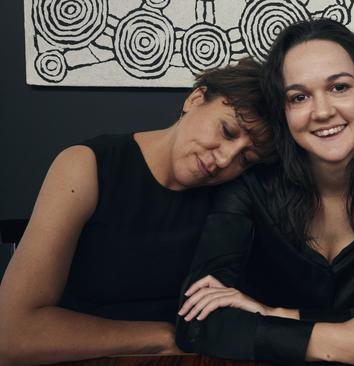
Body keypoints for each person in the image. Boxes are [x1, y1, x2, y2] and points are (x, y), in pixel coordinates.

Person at [175, 19, 354, 365]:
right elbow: (195, 321)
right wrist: (326, 340)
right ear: (283, 111)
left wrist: (276, 314)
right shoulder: (250, 185)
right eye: (299, 97)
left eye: (339, 88)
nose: (321, 112)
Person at [0, 59, 274, 365]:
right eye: (227, 131)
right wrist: (161, 338)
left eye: (246, 158)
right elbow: (12, 334)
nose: (225, 160)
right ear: (195, 99)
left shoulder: (236, 197)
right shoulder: (87, 167)